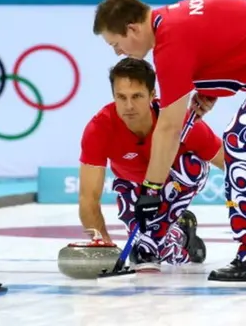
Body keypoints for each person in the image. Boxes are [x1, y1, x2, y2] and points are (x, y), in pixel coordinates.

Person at [92, 0, 246, 281]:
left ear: (133, 28)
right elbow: (226, 42)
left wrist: (151, 189)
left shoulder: (169, 43)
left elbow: (169, 127)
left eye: (116, 43)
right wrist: (210, 91)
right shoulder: (172, 21)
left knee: (240, 143)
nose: (118, 52)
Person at [78, 57, 224, 272]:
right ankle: (183, 236)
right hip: (133, 186)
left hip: (178, 180)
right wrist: (103, 247)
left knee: (190, 167)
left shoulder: (179, 121)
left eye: (136, 96)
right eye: (121, 97)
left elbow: (233, 165)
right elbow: (88, 199)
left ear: (153, 94)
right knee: (148, 254)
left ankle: (164, 228)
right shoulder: (99, 129)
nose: (129, 106)